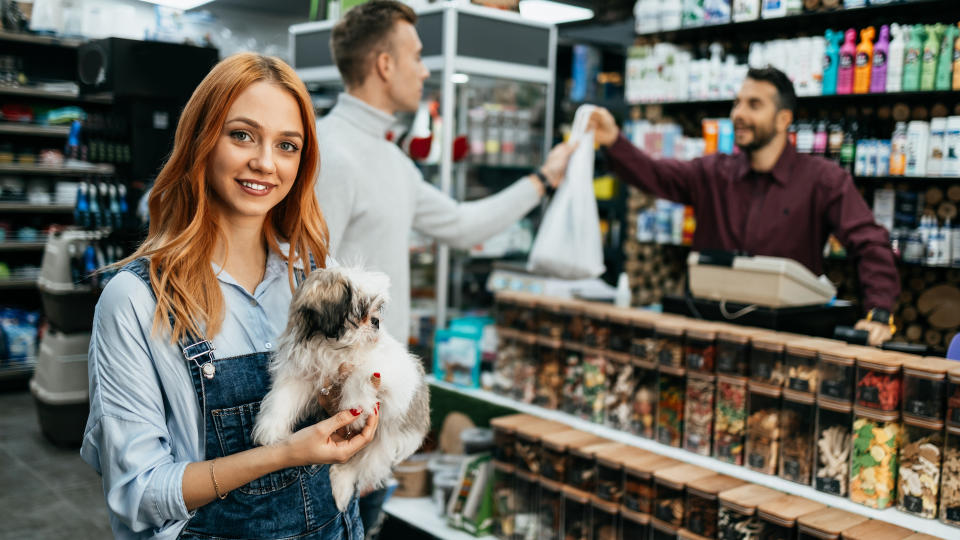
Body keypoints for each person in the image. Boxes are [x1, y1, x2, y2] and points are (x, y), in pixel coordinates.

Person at [81, 53, 379, 540]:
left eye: (287, 145)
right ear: (202, 140)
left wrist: (351, 408)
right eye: (242, 135)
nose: (265, 162)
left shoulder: (313, 282)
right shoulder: (136, 301)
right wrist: (286, 452)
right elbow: (137, 494)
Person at [315, 0, 575, 348]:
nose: (424, 72)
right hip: (342, 390)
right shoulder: (331, 153)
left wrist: (544, 179)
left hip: (382, 379)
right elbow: (306, 286)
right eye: (417, 57)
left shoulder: (391, 160)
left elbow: (461, 225)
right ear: (385, 65)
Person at [588, 67, 900, 346]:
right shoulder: (712, 173)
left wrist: (879, 312)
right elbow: (654, 174)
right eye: (737, 103)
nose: (739, 113)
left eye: (754, 104)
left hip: (787, 344)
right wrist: (614, 140)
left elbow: (869, 242)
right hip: (709, 337)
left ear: (783, 119)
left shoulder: (823, 180)